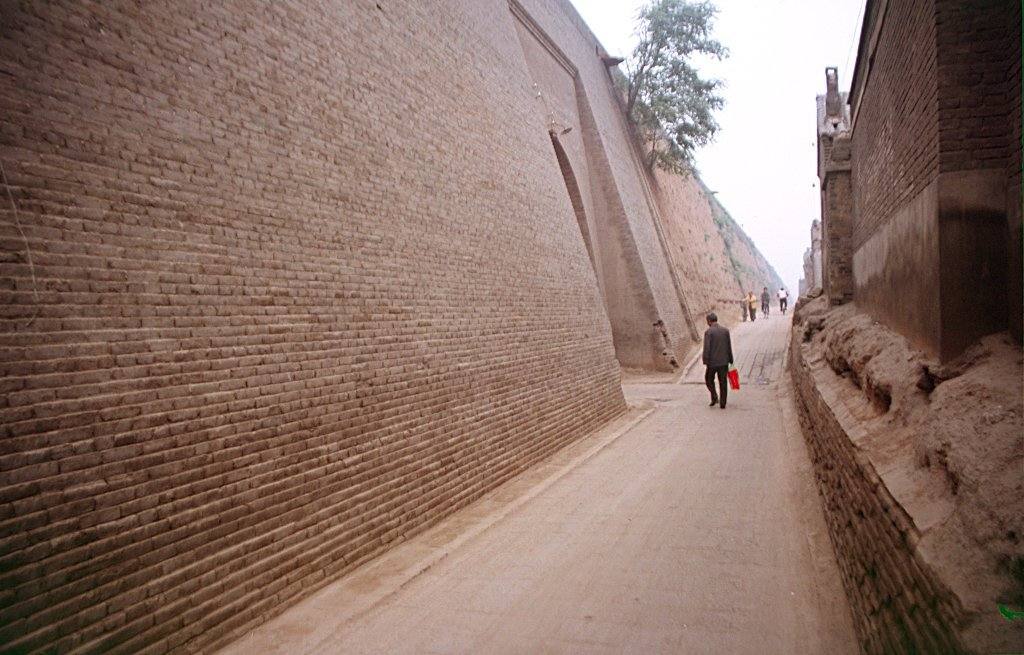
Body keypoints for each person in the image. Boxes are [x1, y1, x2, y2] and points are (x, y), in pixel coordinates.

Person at [702, 312, 733, 409]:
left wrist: (705, 360)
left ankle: (714, 396)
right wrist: (730, 359)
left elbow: (707, 348)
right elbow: (729, 346)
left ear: (709, 321)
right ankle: (723, 403)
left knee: (708, 379)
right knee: (723, 382)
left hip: (712, 363)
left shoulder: (708, 332)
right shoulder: (725, 331)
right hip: (724, 362)